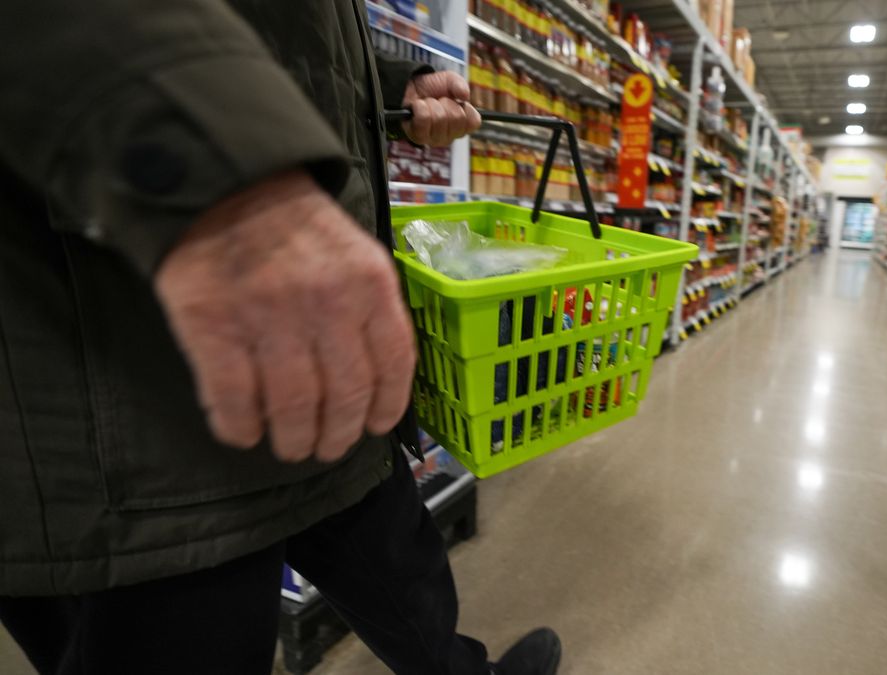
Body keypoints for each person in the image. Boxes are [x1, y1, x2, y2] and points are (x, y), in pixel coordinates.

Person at [0, 2, 560, 673]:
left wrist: (390, 86)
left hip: (290, 323)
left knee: (399, 560)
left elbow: (285, 27)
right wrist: (219, 171)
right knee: (189, 619)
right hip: (137, 372)